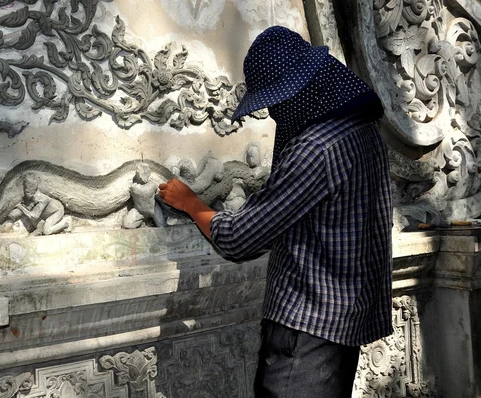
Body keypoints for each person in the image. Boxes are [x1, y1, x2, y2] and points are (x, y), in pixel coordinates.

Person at [158, 26, 392, 397]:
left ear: (305, 89)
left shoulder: (316, 148)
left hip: (307, 335)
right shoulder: (363, 132)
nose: (276, 113)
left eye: (280, 101)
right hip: (342, 328)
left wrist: (190, 202)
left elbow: (239, 239)